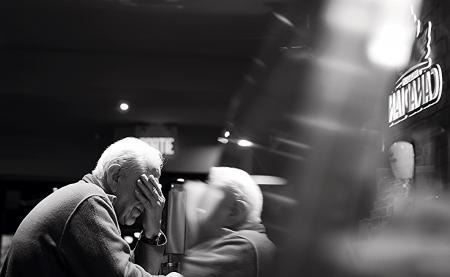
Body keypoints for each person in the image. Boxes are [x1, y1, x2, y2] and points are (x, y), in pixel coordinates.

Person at [1, 137, 180, 277]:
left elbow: (131, 269)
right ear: (115, 176)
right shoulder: (88, 200)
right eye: (146, 187)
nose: (152, 200)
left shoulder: (84, 197)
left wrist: (152, 230)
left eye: (155, 190)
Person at [181, 167, 275, 277]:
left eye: (207, 202)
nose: (199, 210)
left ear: (234, 211)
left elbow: (173, 272)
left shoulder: (244, 244)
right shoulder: (254, 241)